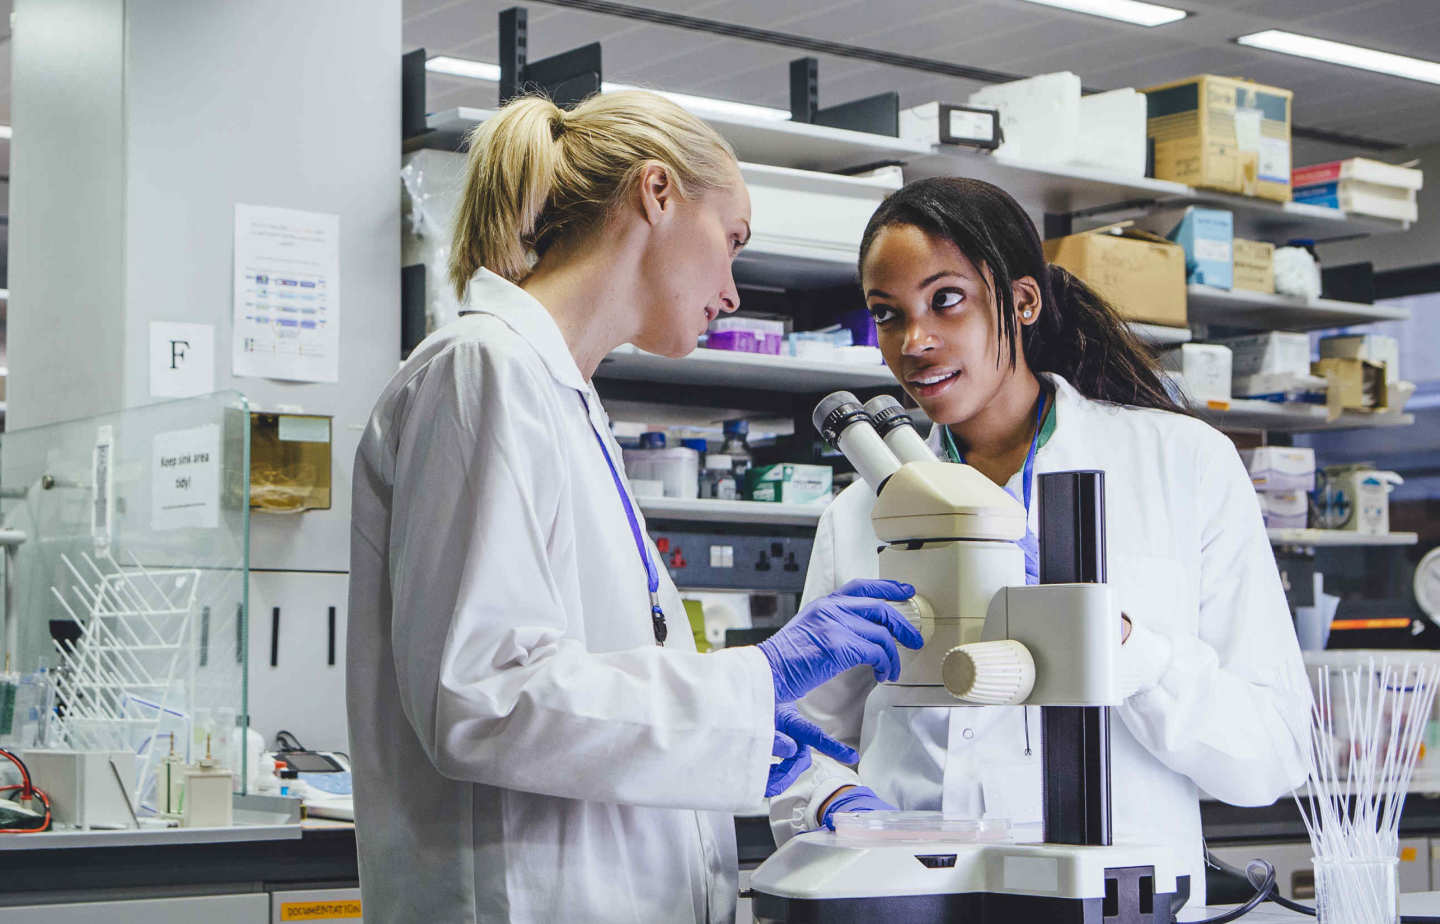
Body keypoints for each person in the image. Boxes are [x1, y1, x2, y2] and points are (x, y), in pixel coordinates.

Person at [346, 89, 922, 924]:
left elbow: (592, 677)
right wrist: (754, 677)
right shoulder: (481, 371)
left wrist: (746, 743)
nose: (730, 292)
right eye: (731, 243)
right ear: (656, 193)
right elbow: (484, 696)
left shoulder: (563, 398)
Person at [768, 177, 1313, 908]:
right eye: (887, 315)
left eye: (947, 299)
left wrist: (1118, 643)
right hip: (915, 900)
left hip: (1118, 902)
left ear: (1022, 302)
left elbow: (1272, 755)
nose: (914, 342)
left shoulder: (1182, 464)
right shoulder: (861, 511)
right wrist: (834, 805)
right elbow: (802, 737)